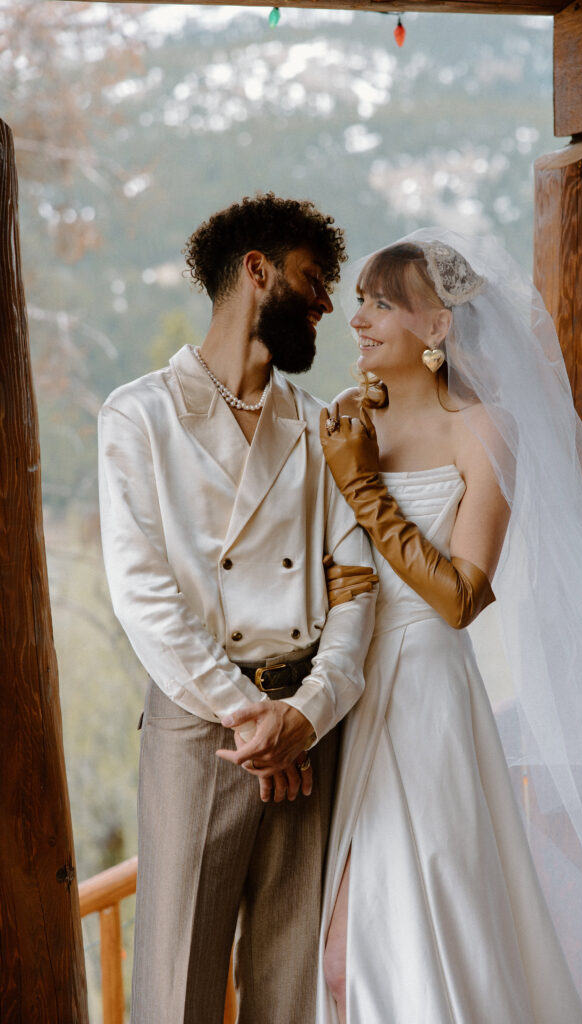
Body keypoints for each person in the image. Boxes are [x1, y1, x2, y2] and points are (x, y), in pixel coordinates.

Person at [316, 230, 582, 1024]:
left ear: (437, 326)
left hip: (423, 694)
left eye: (381, 303)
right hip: (339, 692)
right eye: (359, 302)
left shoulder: (483, 429)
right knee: (339, 958)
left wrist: (363, 488)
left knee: (422, 930)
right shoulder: (346, 419)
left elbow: (461, 597)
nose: (358, 319)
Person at [98, 193, 377, 1024]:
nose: (326, 303)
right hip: (202, 728)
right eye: (313, 280)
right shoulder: (140, 415)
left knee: (289, 987)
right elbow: (143, 595)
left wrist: (308, 713)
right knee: (176, 984)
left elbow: (354, 584)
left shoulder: (319, 426)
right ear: (256, 271)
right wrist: (250, 718)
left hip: (307, 731)